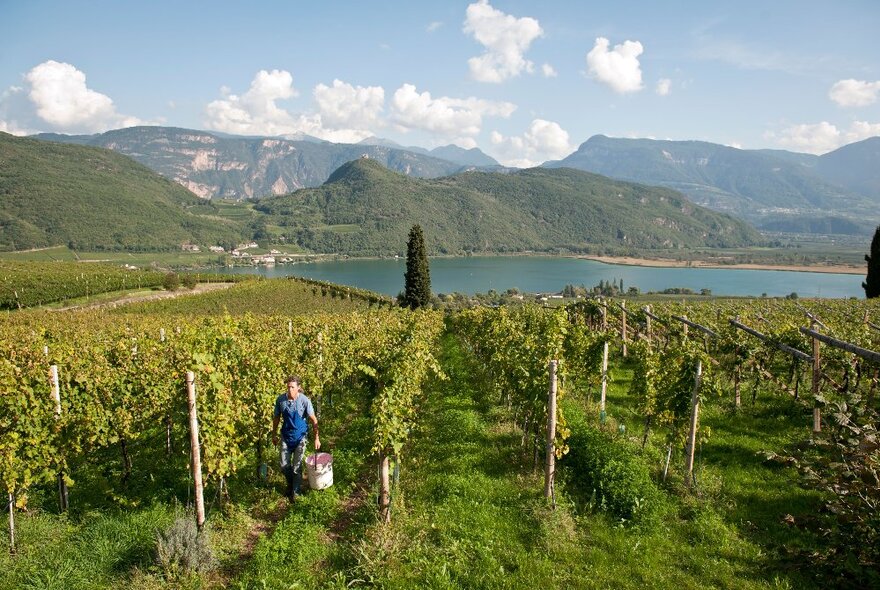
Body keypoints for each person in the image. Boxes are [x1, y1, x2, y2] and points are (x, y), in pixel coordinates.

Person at [272, 375, 320, 500]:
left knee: (297, 466)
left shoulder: (304, 401)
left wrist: (316, 438)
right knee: (284, 465)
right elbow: (276, 418)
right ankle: (290, 484)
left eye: (292, 387)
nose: (289, 390)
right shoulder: (281, 400)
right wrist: (274, 434)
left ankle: (296, 493)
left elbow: (313, 419)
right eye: (288, 387)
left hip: (300, 437)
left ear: (298, 388)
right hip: (286, 436)